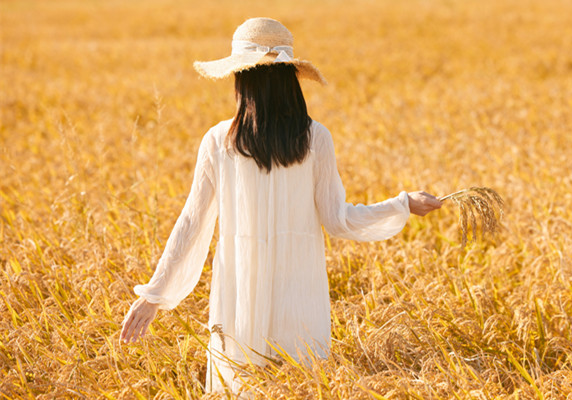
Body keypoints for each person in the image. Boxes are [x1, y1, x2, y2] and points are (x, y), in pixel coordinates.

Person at [119, 17, 442, 394]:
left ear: (243, 81)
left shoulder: (219, 141)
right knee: (298, 386)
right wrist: (403, 204)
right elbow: (339, 220)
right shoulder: (314, 138)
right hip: (299, 298)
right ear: (290, 80)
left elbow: (192, 224)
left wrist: (154, 296)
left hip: (239, 295)